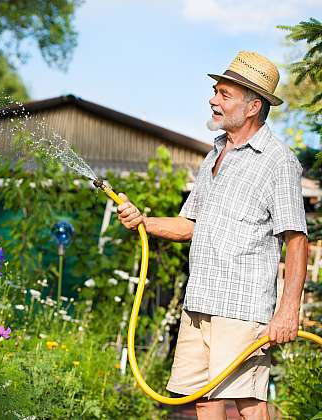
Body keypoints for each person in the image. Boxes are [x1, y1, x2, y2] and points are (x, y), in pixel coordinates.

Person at [117, 51, 308, 420]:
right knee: (204, 399)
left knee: (248, 405)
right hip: (200, 300)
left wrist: (288, 312)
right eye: (215, 91)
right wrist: (143, 220)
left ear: (252, 106)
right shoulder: (216, 153)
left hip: (241, 306)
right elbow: (191, 225)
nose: (212, 100)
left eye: (224, 94)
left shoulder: (277, 161)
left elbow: (297, 240)